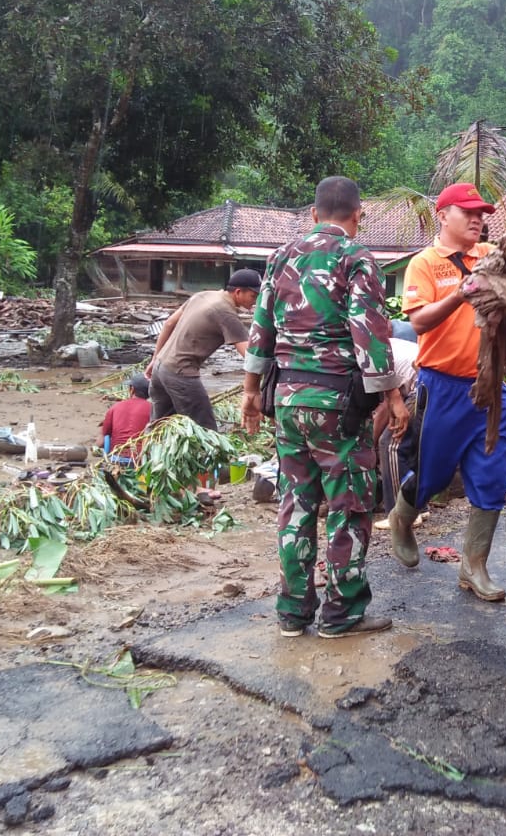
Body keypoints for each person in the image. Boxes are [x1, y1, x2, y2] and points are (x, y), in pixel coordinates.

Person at [241, 176, 410, 639]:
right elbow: (369, 334)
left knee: (295, 505)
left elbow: (260, 329)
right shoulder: (357, 257)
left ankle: (292, 614)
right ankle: (341, 616)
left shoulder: (279, 257)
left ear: (312, 215)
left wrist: (251, 391)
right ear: (358, 215)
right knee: (348, 507)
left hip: (288, 401)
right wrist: (393, 395)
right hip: (339, 407)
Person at [386, 182, 506, 602]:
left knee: (492, 474)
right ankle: (402, 519)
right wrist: (461, 294)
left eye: (482, 214)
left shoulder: (492, 256)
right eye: (469, 213)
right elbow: (420, 322)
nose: (478, 220)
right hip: (441, 387)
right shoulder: (425, 264)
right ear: (444, 216)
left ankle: (473, 566)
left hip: (489, 387)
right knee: (431, 475)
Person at [145, 268, 262, 430]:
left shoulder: (203, 295)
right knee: (206, 430)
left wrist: (154, 359)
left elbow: (169, 323)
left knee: (158, 427)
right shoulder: (226, 314)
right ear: (238, 292)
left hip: (160, 368)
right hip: (181, 374)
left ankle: (145, 455)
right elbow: (251, 358)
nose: (255, 301)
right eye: (253, 296)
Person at [372, 335, 420, 528]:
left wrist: (371, 444)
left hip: (424, 386)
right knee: (411, 446)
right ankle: (418, 507)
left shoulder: (371, 354)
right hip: (427, 384)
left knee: (390, 444)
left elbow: (386, 405)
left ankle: (400, 514)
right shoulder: (378, 343)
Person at [99, 375, 152, 462]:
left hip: (117, 458)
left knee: (104, 429)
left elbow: (105, 435)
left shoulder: (116, 407)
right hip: (141, 461)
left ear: (132, 389)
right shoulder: (153, 409)